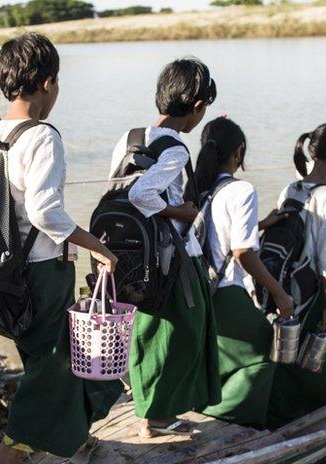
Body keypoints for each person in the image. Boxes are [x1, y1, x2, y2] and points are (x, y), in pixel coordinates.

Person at [0, 33, 121, 464]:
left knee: (48, 356)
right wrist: (95, 245)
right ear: (47, 83)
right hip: (43, 270)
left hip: (1, 274)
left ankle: (74, 439)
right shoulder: (42, 137)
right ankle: (7, 463)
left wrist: (7, 224)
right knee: (55, 363)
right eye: (57, 83)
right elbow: (45, 211)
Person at [108, 57, 221, 438]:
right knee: (181, 332)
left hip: (130, 254)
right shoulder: (176, 149)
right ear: (198, 107)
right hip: (167, 257)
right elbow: (141, 193)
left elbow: (118, 189)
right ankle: (156, 417)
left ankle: (149, 406)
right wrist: (182, 211)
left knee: (147, 330)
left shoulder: (128, 137)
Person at [192, 117, 293, 428]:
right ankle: (230, 415)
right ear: (239, 153)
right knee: (265, 347)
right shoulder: (243, 190)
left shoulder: (199, 188)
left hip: (197, 291)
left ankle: (205, 401)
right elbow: (242, 252)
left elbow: (214, 233)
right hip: (225, 291)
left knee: (222, 350)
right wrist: (278, 292)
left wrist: (262, 224)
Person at [266, 123, 326, 427]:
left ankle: (276, 414)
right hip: (312, 288)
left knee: (285, 352)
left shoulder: (292, 188)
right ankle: (312, 418)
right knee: (315, 358)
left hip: (284, 284)